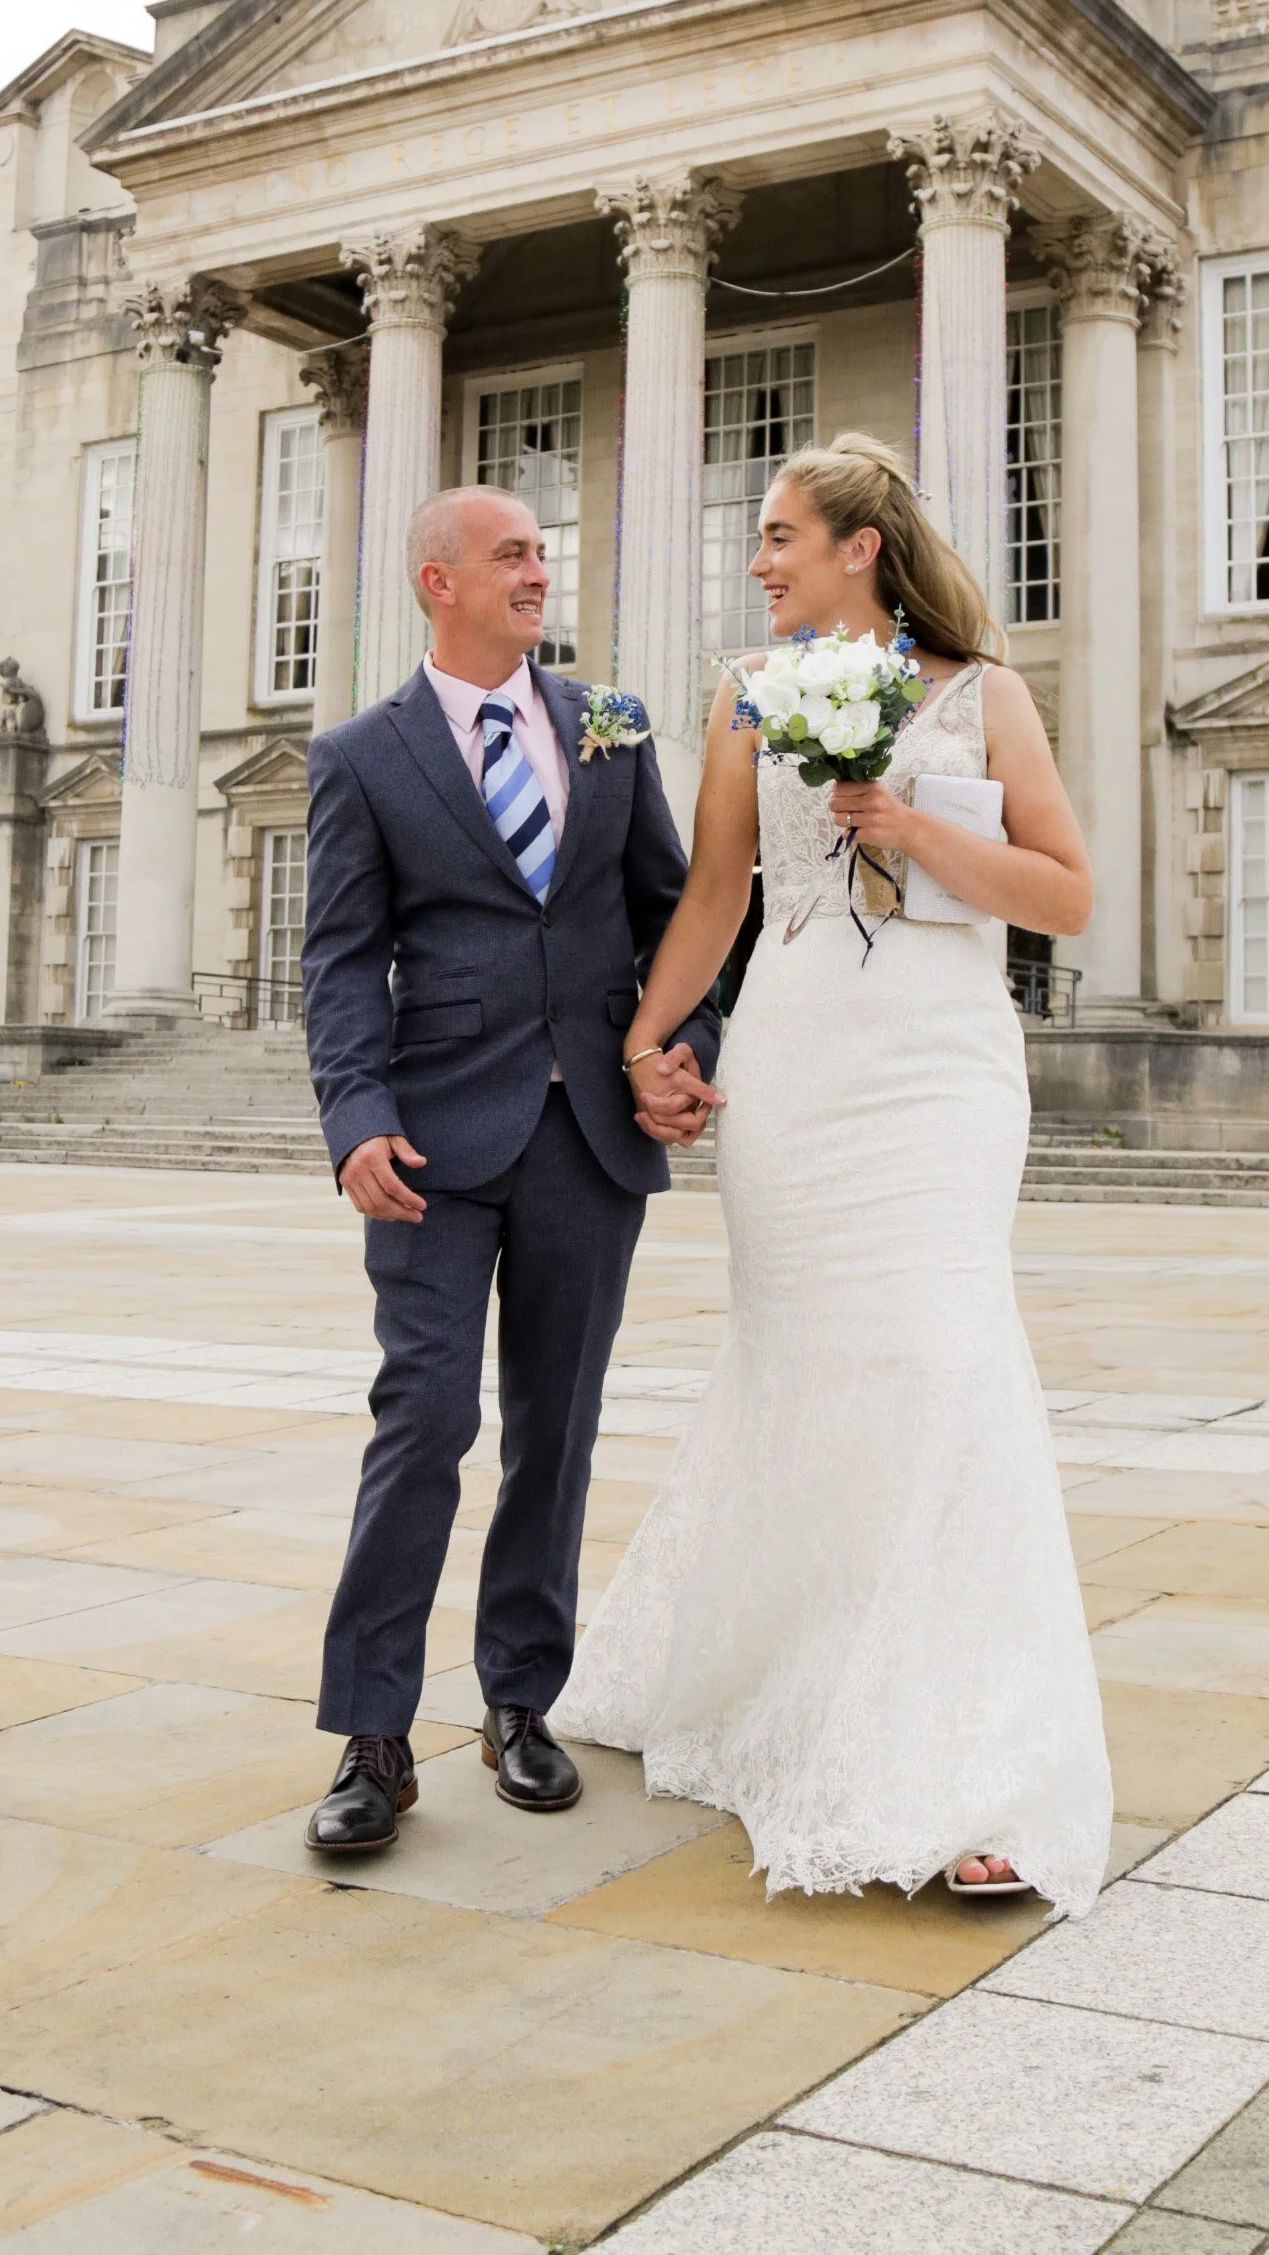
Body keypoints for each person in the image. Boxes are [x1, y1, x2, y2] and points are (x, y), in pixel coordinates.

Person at [555, 432, 1113, 1910]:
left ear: (861, 545)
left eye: (781, 535)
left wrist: (912, 822)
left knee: (943, 1359)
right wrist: (642, 1040)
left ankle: (972, 1762)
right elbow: (722, 893)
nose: (760, 561)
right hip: (799, 1062)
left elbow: (1065, 890)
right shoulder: (744, 693)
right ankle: (795, 1680)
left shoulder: (987, 692)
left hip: (940, 1067)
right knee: (808, 1363)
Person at [299, 487, 719, 1855]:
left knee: (560, 1427)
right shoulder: (364, 756)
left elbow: (677, 913)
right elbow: (343, 960)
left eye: (545, 552)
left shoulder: (611, 721)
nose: (542, 571)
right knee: (423, 1418)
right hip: (429, 1137)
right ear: (439, 581)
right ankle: (371, 1730)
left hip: (587, 1135)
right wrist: (355, 1114)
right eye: (513, 555)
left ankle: (519, 1701)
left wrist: (682, 1042)